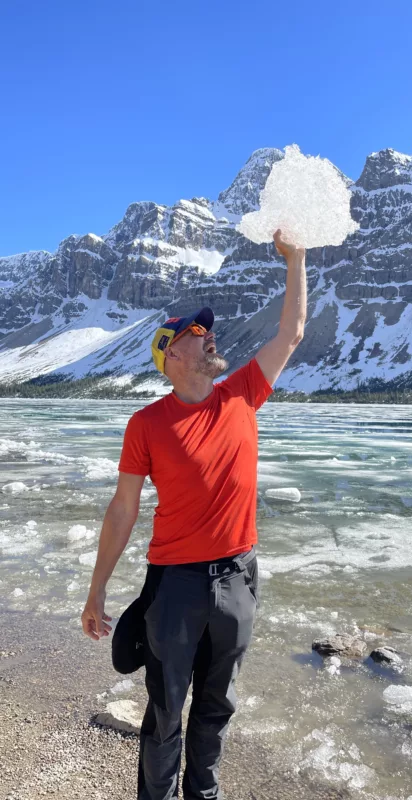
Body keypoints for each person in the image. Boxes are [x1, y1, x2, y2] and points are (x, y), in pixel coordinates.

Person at [81, 229, 307, 800]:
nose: (209, 340)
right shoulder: (146, 425)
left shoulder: (242, 393)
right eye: (194, 335)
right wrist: (96, 590)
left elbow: (292, 332)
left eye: (208, 333)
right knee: (163, 714)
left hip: (239, 578)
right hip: (175, 586)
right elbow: (123, 508)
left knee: (216, 707)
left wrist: (297, 258)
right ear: (170, 355)